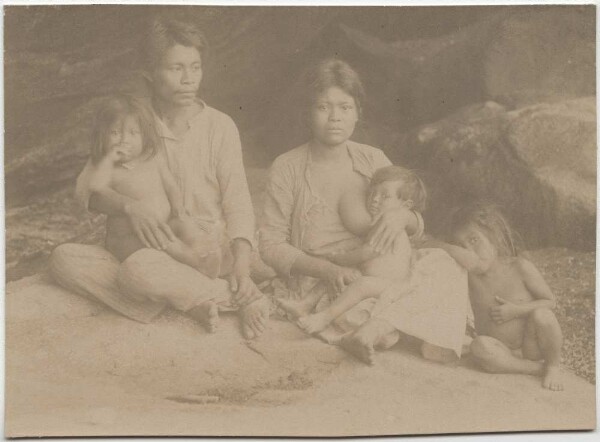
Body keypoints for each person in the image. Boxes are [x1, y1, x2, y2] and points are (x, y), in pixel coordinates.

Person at [49, 16, 268, 338]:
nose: (188, 79)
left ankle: (185, 292)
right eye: (176, 68)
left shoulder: (219, 126)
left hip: (200, 247)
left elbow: (238, 201)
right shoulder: (130, 120)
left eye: (195, 67)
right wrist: (129, 206)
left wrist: (241, 266)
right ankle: (203, 298)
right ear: (149, 74)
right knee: (63, 259)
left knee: (137, 272)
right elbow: (89, 193)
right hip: (144, 248)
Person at [260, 58, 470, 363]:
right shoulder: (287, 167)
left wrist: (404, 217)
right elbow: (270, 245)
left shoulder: (372, 159)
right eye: (323, 107)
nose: (335, 118)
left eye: (345, 107)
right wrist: (328, 269)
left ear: (358, 112)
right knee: (370, 304)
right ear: (308, 112)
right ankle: (398, 327)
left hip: (383, 269)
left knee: (445, 264)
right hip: (329, 281)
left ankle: (385, 327)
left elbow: (413, 219)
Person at [423, 202, 564, 391]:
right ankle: (535, 369)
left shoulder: (519, 267)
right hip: (500, 348)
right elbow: (430, 247)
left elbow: (550, 302)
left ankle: (552, 365)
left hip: (530, 344)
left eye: (474, 240)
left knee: (543, 316)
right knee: (479, 347)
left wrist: (516, 310)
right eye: (461, 246)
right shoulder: (468, 277)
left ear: (494, 237)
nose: (469, 251)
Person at [87, 94, 226, 281]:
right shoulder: (109, 169)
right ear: (101, 136)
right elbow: (95, 189)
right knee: (166, 241)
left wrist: (178, 208)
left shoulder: (152, 159)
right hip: (130, 239)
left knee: (185, 225)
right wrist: (109, 159)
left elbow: (170, 185)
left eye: (133, 133)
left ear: (145, 135)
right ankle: (192, 260)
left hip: (165, 223)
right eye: (114, 133)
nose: (123, 140)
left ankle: (204, 252)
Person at [286, 166, 425, 334]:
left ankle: (324, 317)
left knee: (360, 283)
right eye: (372, 193)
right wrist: (340, 265)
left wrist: (341, 258)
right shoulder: (377, 222)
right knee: (339, 273)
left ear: (405, 205)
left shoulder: (389, 227)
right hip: (374, 277)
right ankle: (305, 304)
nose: (375, 199)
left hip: (390, 285)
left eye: (384, 196)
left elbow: (368, 252)